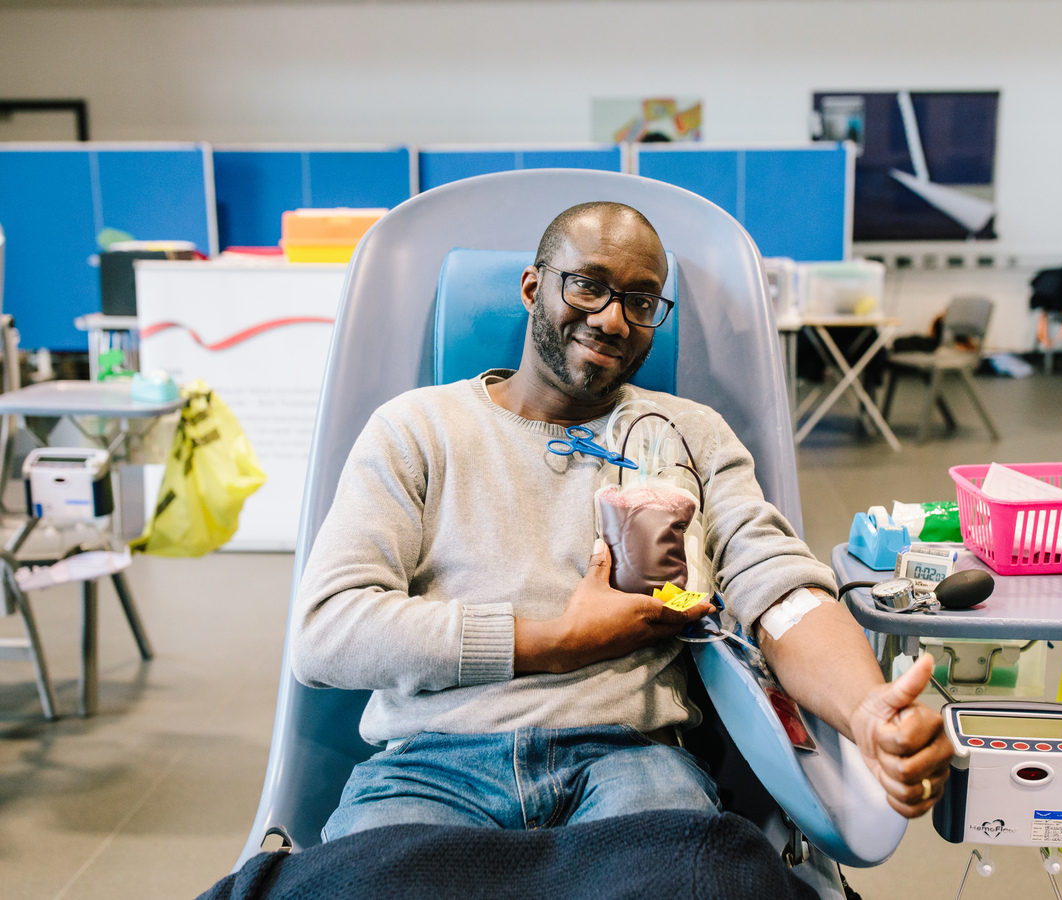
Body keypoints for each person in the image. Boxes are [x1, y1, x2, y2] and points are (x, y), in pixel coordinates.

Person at [291, 201, 952, 842]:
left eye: (640, 302)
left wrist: (867, 711)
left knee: (695, 881)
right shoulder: (418, 429)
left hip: (630, 761)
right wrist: (556, 639)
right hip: (431, 769)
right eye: (588, 287)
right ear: (532, 287)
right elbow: (327, 632)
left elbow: (781, 595)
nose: (612, 320)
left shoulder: (689, 436)